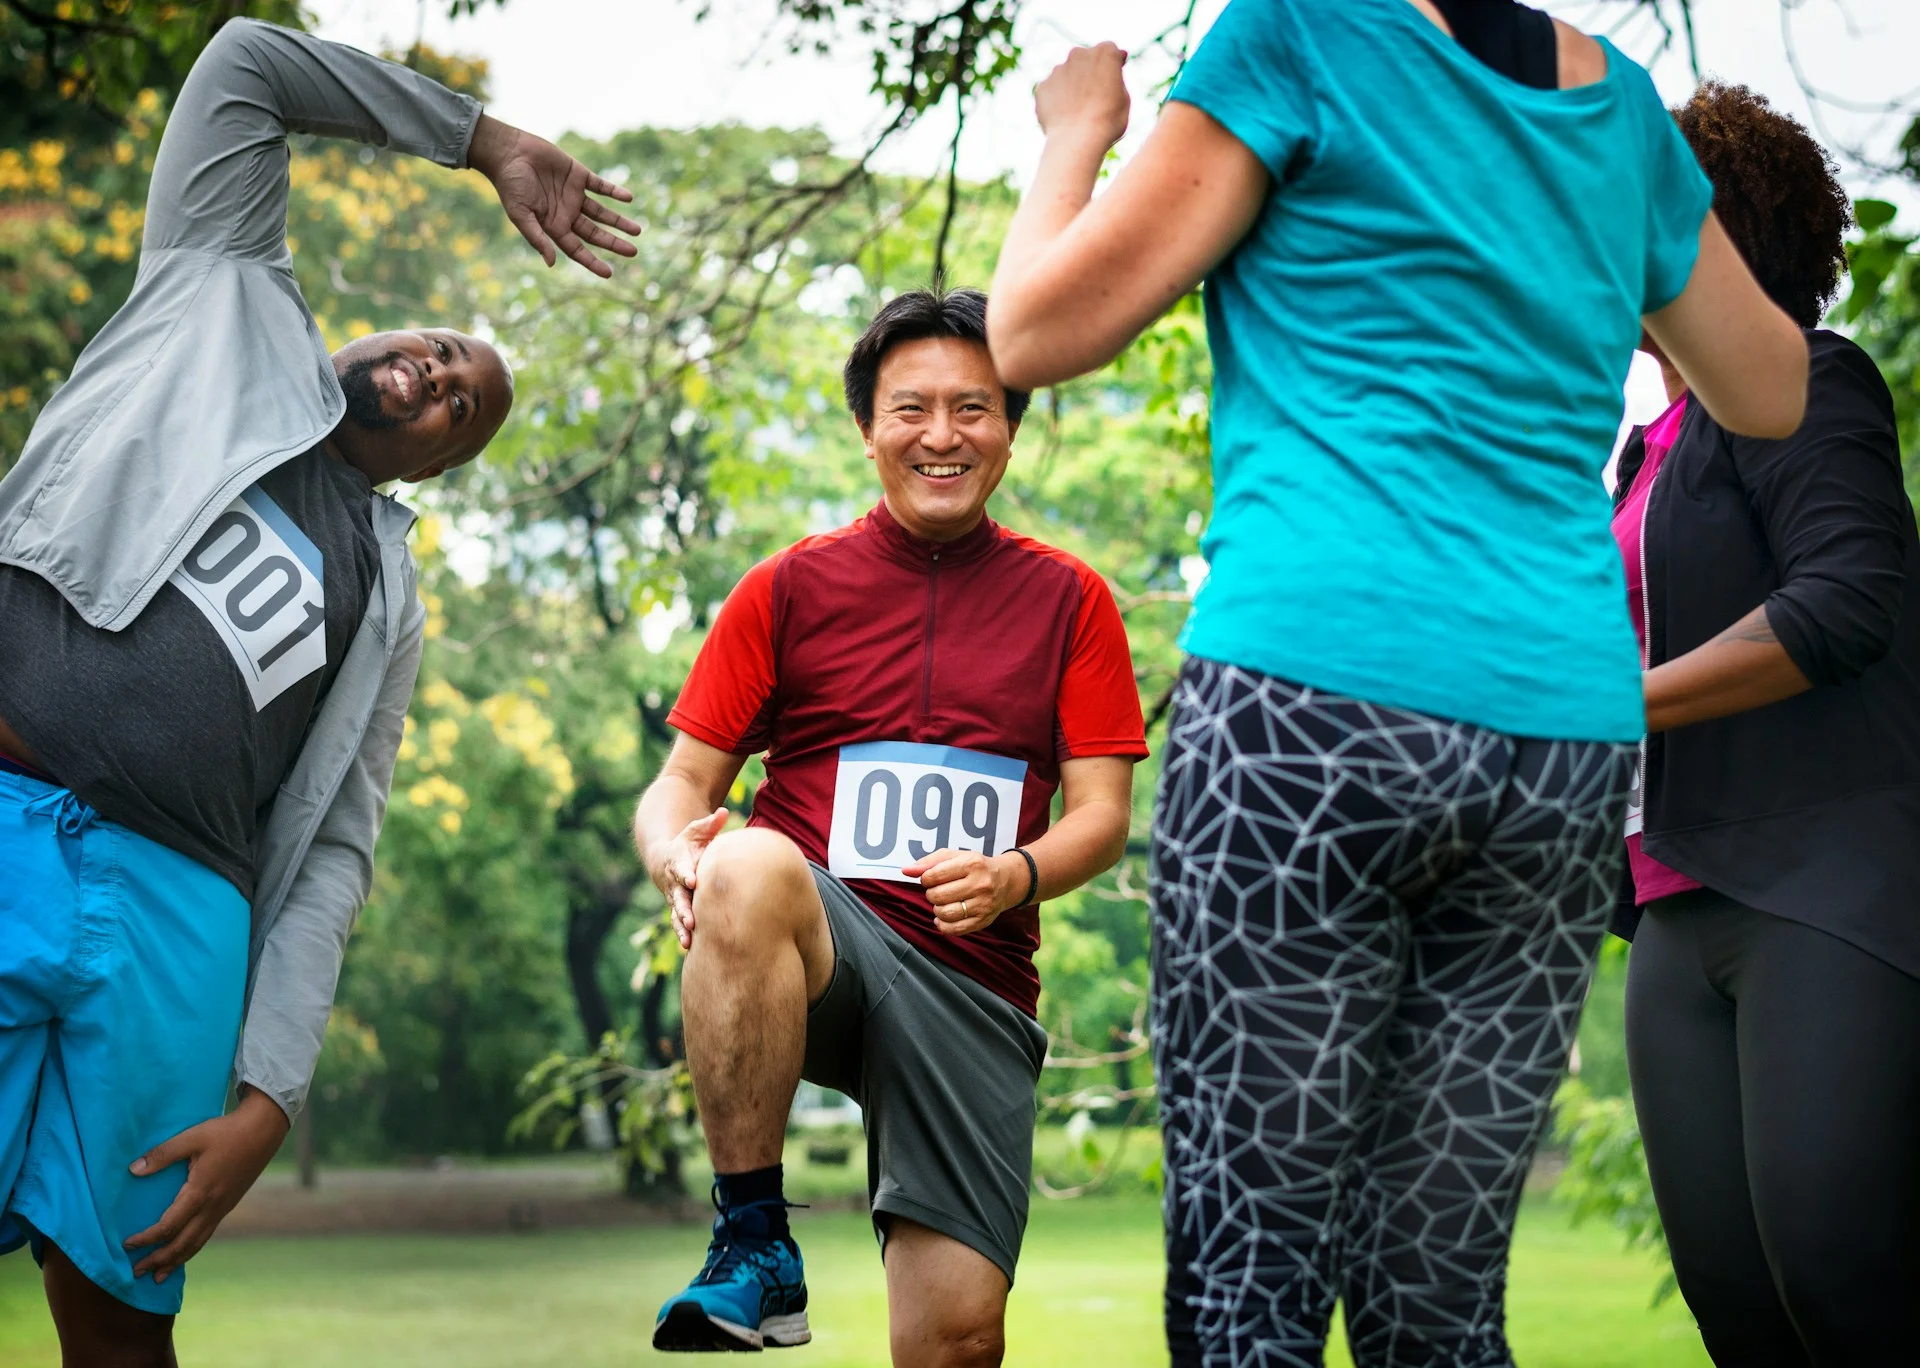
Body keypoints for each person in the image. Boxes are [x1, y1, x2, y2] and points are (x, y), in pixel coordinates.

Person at [984, 2, 1810, 1364]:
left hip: (1315, 712)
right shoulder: (1619, 105)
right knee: (1437, 1299)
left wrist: (1077, 134)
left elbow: (1032, 329)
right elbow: (1770, 386)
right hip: (1556, 746)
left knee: (1255, 1285)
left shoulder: (1300, 35)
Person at [0, 18, 639, 1363]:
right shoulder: (218, 293)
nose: (437, 379)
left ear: (435, 466)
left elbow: (339, 846)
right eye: (440, 350)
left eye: (462, 406)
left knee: (119, 1306)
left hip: (183, 913)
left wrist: (271, 1095)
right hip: (16, 811)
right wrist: (487, 142)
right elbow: (243, 62)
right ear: (388, 331)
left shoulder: (384, 602)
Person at [633, 287, 1147, 1361]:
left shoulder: (1073, 601)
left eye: (974, 408)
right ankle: (753, 1244)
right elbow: (680, 786)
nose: (943, 435)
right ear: (869, 429)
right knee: (743, 863)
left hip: (973, 974)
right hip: (824, 948)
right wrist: (673, 850)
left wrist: (1015, 874)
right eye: (912, 409)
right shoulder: (784, 589)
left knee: (957, 1342)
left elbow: (1101, 817)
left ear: (1011, 426)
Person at [1612, 82, 1920, 1367]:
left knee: (1841, 1289)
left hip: (1820, 886)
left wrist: (1611, 700)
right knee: (1740, 1315)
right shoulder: (1645, 445)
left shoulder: (1797, 383)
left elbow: (1847, 599)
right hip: (1672, 909)